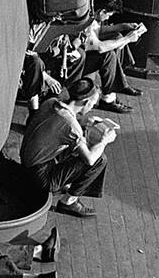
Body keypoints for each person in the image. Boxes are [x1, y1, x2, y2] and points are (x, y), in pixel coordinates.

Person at [20, 76, 116, 219]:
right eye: (93, 104)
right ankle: (69, 201)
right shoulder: (71, 126)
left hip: (28, 161)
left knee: (79, 146)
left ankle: (65, 183)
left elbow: (59, 126)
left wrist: (82, 122)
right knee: (99, 159)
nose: (92, 107)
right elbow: (90, 159)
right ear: (85, 102)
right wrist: (104, 141)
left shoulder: (51, 102)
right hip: (40, 177)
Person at [73, 0, 147, 112]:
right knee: (108, 55)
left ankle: (120, 82)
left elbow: (98, 30)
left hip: (86, 54)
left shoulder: (92, 14)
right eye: (108, 15)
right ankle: (108, 99)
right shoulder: (87, 23)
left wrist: (122, 27)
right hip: (78, 64)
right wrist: (127, 39)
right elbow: (100, 47)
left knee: (116, 36)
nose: (108, 18)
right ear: (102, 12)